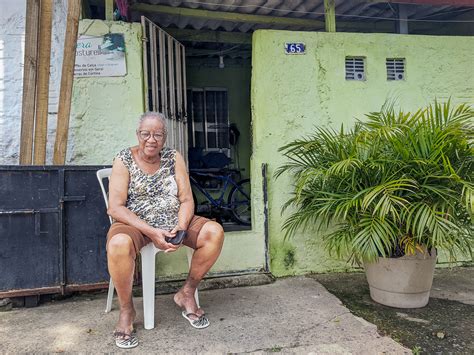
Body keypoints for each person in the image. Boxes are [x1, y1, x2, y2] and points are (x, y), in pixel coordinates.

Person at [106, 112, 225, 349]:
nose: (151, 139)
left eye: (158, 134)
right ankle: (127, 311)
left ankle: (187, 292)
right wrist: (151, 232)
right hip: (136, 223)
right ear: (137, 135)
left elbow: (187, 200)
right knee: (118, 244)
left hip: (174, 220)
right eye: (146, 134)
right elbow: (115, 208)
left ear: (165, 137)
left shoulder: (173, 157)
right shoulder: (123, 159)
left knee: (214, 231)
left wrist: (181, 229)